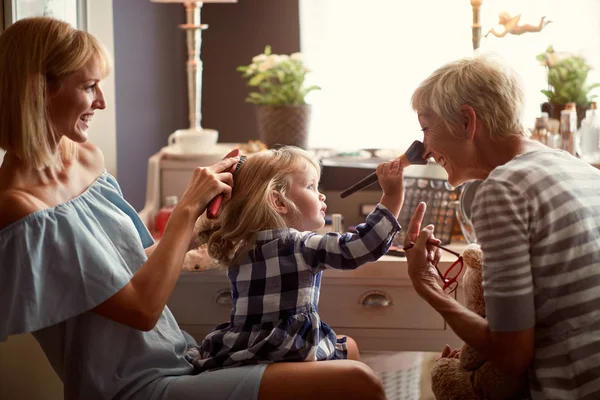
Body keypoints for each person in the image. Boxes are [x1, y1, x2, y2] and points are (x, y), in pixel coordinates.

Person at [0, 17, 388, 400]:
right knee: (358, 382)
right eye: (88, 87)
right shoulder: (22, 208)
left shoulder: (86, 160)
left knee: (346, 350)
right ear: (38, 91)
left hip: (176, 356)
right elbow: (141, 309)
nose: (101, 101)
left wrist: (200, 225)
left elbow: (133, 266)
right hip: (131, 387)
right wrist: (185, 209)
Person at [404, 53, 600, 400]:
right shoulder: (578, 168)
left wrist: (427, 285)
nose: (426, 149)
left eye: (425, 127)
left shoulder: (503, 187)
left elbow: (511, 355)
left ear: (467, 121)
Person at [187, 146, 404, 372]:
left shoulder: (240, 248)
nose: (321, 195)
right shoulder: (301, 245)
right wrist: (392, 196)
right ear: (278, 202)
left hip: (243, 349)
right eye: (311, 186)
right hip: (289, 348)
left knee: (348, 347)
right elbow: (364, 245)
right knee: (351, 348)